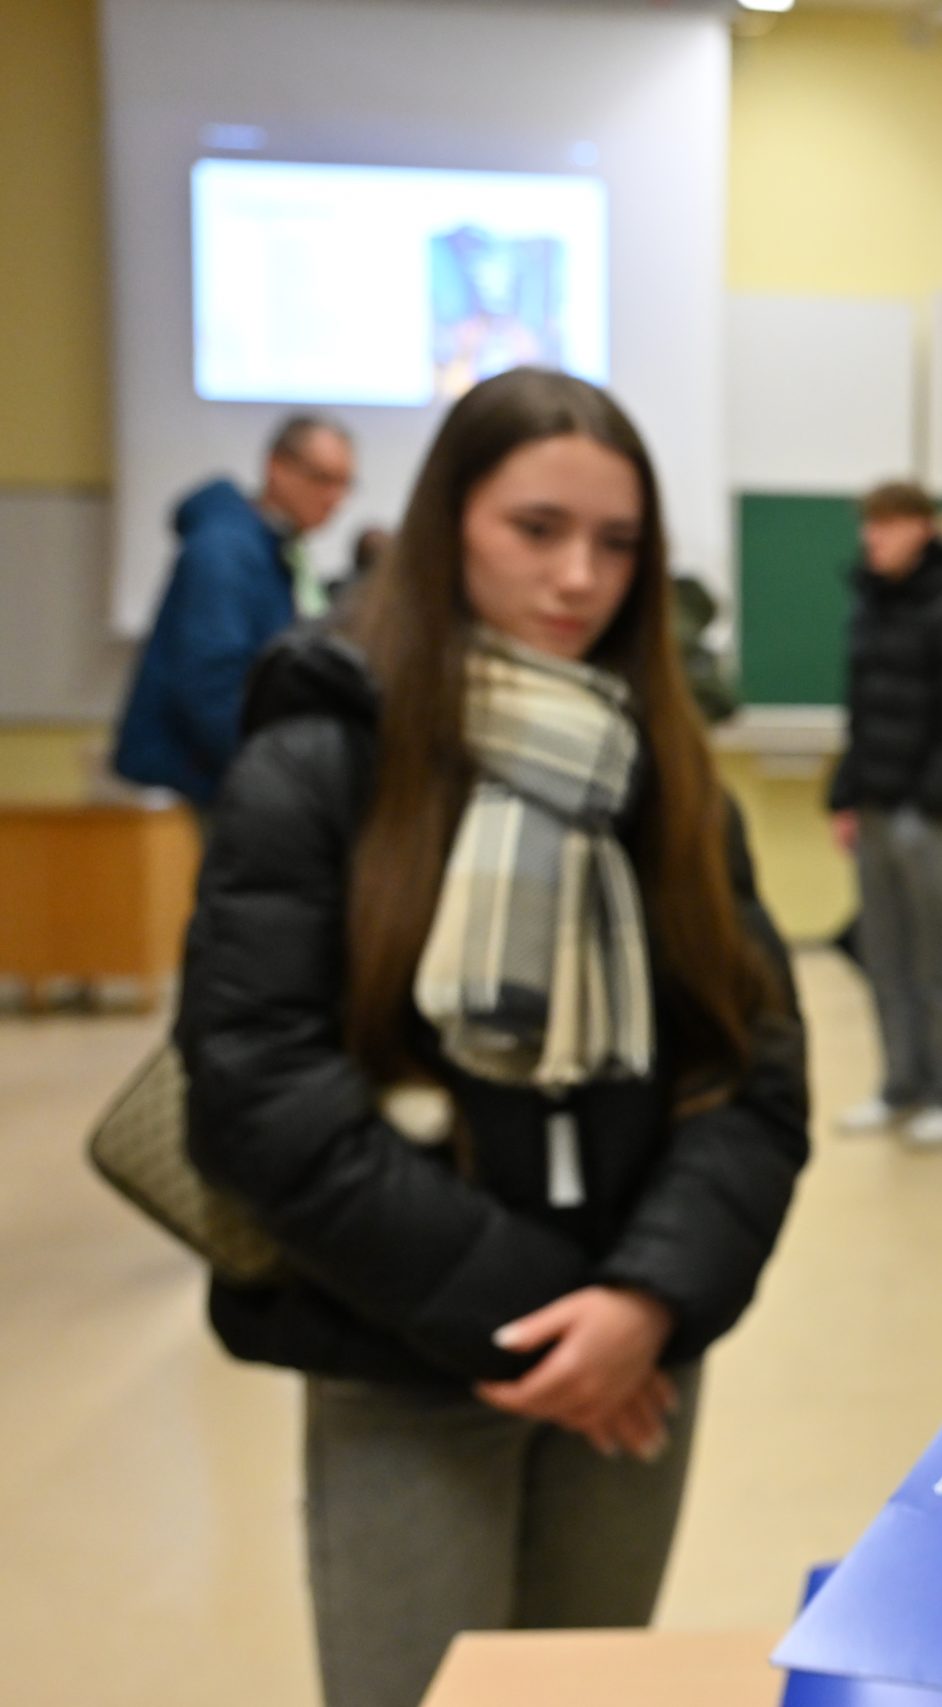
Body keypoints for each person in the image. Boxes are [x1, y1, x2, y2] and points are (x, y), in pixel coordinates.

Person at [177, 369, 810, 1707]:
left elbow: (752, 1076)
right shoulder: (323, 757)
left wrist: (645, 1300)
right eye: (537, 529)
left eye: (618, 542)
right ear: (447, 525)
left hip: (632, 1351)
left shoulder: (670, 780)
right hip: (405, 1350)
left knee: (585, 1689)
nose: (580, 577)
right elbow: (260, 1095)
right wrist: (537, 1321)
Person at [828, 480, 942, 1147]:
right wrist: (845, 795)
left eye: (886, 524)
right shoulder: (871, 609)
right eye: (868, 525)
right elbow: (861, 713)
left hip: (938, 817)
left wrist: (926, 805)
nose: (872, 538)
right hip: (876, 808)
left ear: (921, 529)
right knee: (886, 955)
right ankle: (898, 1084)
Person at [113, 414, 355, 809]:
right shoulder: (225, 549)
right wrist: (280, 777)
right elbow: (211, 687)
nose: (335, 498)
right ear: (277, 468)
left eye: (345, 483)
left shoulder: (274, 548)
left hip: (221, 776)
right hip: (190, 783)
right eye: (322, 478)